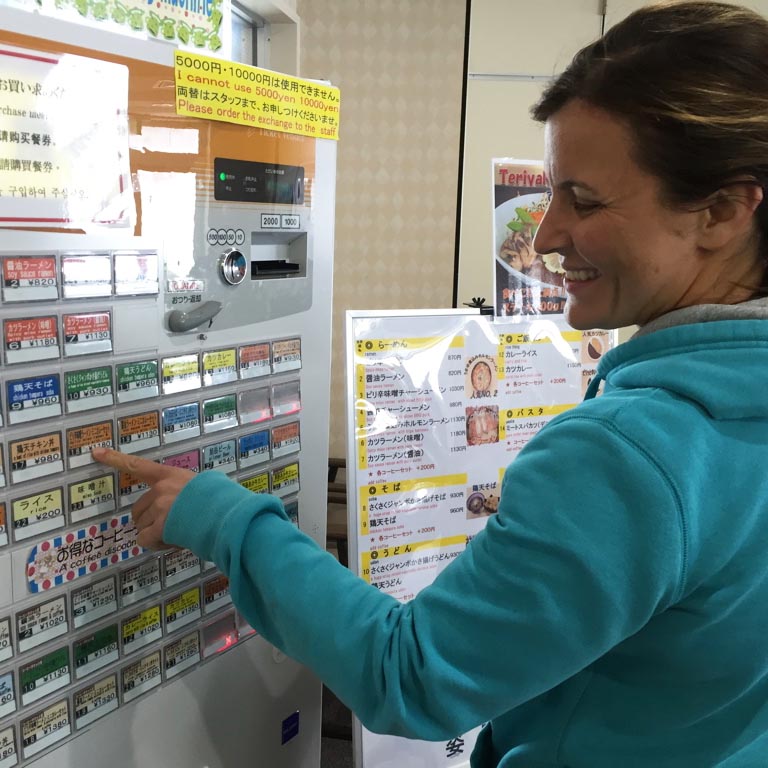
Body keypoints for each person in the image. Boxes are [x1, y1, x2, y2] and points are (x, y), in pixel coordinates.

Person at [94, 2, 768, 765]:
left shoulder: (634, 453)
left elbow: (411, 676)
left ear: (721, 210)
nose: (543, 236)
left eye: (583, 198)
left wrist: (224, 519)